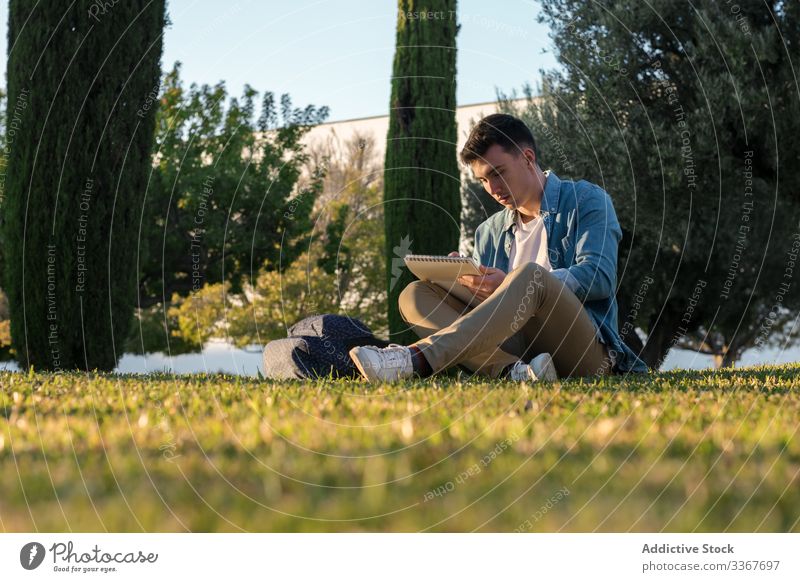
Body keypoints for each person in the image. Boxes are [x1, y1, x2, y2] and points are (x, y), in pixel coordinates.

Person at [350, 113, 649, 382]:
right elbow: (485, 315)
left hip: (583, 352)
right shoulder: (488, 231)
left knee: (531, 276)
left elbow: (600, 277)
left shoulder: (586, 200)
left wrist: (509, 282)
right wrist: (462, 280)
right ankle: (512, 372)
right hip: (521, 350)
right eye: (483, 179)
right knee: (414, 295)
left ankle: (415, 359)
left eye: (498, 173)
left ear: (528, 158)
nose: (492, 188)